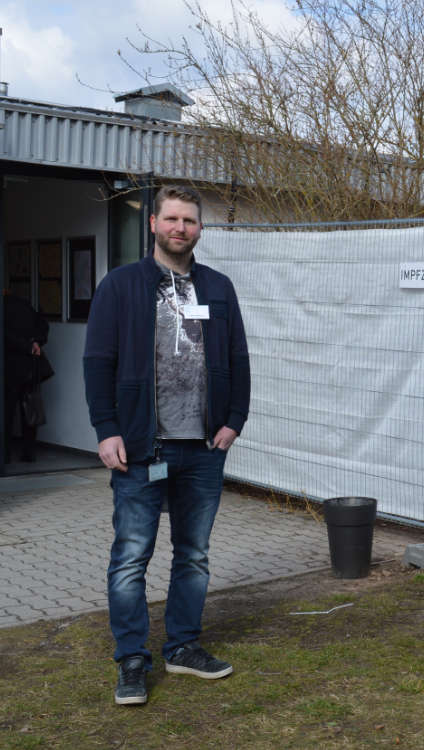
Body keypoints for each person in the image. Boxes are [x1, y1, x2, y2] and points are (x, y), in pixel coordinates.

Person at [84, 184, 251, 706]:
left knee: (194, 555)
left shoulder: (219, 288)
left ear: (200, 229)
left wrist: (234, 420)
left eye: (190, 221)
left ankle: (182, 647)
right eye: (172, 219)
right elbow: (97, 362)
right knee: (132, 557)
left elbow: (239, 359)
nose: (181, 228)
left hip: (203, 449)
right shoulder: (120, 286)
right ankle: (132, 660)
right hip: (140, 448)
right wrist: (106, 428)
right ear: (153, 224)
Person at [4, 291, 51, 462]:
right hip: (31, 366)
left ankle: (5, 453)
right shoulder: (27, 305)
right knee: (30, 409)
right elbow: (43, 326)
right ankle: (29, 453)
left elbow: (5, 335)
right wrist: (35, 343)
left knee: (6, 413)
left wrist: (25, 346)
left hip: (9, 367)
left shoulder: (7, 307)